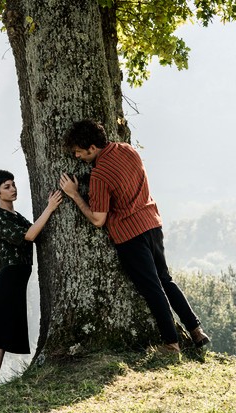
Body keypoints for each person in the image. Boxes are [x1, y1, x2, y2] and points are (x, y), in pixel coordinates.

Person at [58, 119, 209, 354]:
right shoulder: (128, 149)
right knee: (165, 280)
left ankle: (171, 344)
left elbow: (98, 219)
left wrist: (74, 194)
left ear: (91, 148)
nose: (77, 157)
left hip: (130, 235)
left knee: (152, 288)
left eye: (78, 152)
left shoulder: (100, 175)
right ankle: (196, 330)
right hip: (152, 224)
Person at [0, 170, 62, 387]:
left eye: (13, 185)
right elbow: (30, 235)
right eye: (6, 187)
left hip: (15, 279)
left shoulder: (16, 216)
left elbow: (32, 230)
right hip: (8, 279)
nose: (13, 189)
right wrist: (50, 207)